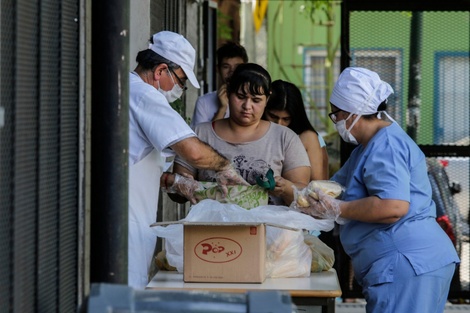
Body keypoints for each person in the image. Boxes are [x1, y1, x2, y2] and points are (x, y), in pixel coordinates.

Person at [300, 67, 460, 313]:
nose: (337, 121)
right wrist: (301, 197)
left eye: (336, 114)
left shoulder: (386, 145)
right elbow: (333, 189)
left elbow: (393, 206)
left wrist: (337, 209)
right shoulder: (367, 148)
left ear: (351, 111)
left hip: (406, 262)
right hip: (414, 263)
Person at [129, 30, 248, 289]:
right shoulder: (145, 96)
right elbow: (193, 151)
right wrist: (224, 166)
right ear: (161, 70)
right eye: (181, 80)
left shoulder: (127, 89)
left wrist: (174, 183)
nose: (181, 90)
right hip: (127, 222)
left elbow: (133, 164)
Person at [172, 63, 311, 206]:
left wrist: (286, 188)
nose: (247, 106)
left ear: (267, 99)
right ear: (228, 93)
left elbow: (304, 195)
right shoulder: (200, 134)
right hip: (211, 226)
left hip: (268, 227)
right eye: (240, 96)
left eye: (256, 100)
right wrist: (180, 185)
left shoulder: (285, 138)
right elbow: (176, 193)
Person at [263, 79, 329, 180]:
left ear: (295, 116)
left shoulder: (307, 137)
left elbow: (317, 183)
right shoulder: (254, 133)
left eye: (286, 119)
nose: (279, 124)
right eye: (273, 116)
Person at [190, 41, 248, 128]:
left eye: (237, 67)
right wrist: (222, 108)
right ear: (218, 69)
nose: (232, 72)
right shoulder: (203, 102)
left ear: (246, 68)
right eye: (226, 67)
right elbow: (200, 138)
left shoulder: (253, 101)